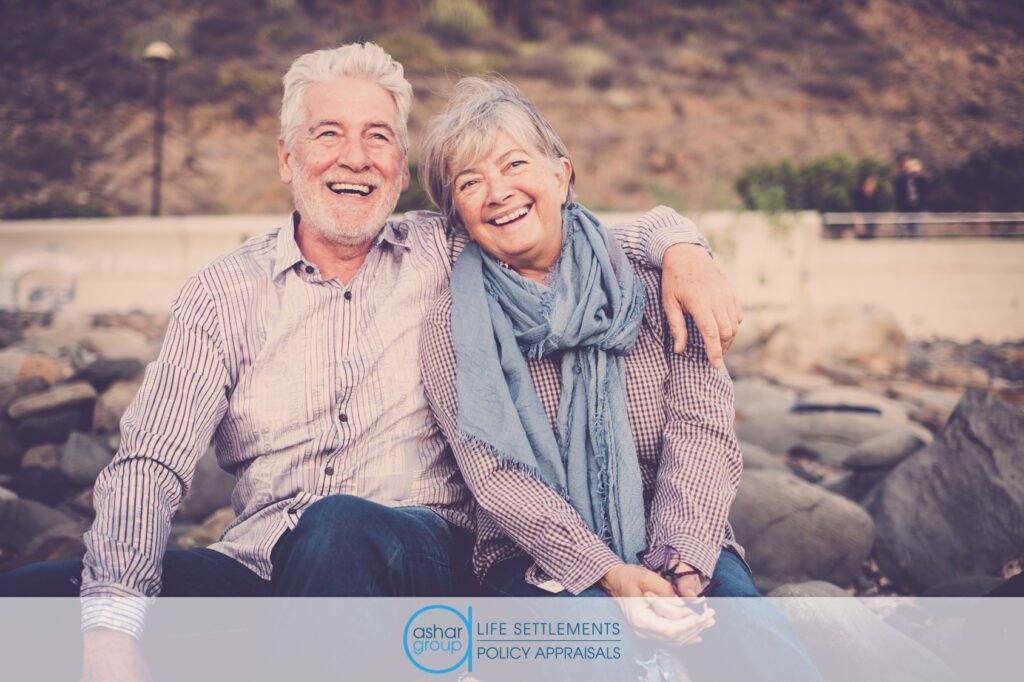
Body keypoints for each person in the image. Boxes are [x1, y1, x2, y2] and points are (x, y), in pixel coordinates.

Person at [0, 43, 741, 680]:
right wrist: (110, 626)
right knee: (30, 607)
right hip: (263, 563)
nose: (355, 157)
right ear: (288, 158)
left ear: (399, 164)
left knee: (339, 528)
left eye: (378, 137)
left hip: (421, 557)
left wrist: (680, 245)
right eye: (329, 134)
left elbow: (556, 220)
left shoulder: (445, 248)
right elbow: (151, 461)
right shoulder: (224, 292)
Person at [418, 77, 819, 680]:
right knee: (600, 659)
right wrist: (608, 573)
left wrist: (678, 564)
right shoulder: (454, 322)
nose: (497, 192)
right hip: (535, 557)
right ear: (458, 216)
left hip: (675, 534)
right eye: (470, 183)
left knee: (758, 651)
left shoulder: (654, 277)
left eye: (514, 164)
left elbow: (702, 431)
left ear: (561, 174)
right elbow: (495, 478)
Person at [892, 151, 930, 238]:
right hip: (903, 211)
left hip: (917, 211)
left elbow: (928, 186)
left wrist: (920, 173)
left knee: (917, 230)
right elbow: (895, 186)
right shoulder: (899, 178)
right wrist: (904, 172)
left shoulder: (919, 179)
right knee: (901, 227)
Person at [850, 173, 881, 239]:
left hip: (871, 224)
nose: (872, 186)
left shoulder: (875, 197)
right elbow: (855, 210)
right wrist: (859, 221)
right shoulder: (857, 195)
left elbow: (876, 212)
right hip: (860, 223)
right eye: (870, 183)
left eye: (873, 184)